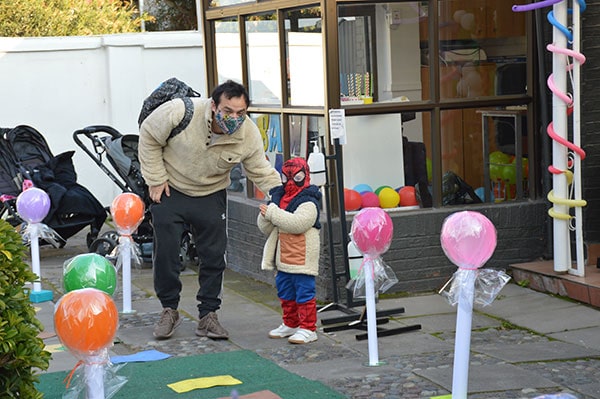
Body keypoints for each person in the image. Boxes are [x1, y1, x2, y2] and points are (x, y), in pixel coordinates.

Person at [139, 80, 282, 340]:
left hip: (211, 194)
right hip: (172, 189)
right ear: (213, 105)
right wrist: (155, 178)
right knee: (167, 254)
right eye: (228, 111)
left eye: (241, 113)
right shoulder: (181, 111)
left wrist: (287, 197)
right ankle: (169, 310)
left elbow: (259, 170)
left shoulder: (247, 134)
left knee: (214, 257)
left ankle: (208, 316)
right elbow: (148, 136)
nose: (234, 118)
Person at [257, 157, 322, 344]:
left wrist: (272, 213)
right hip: (283, 256)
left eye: (297, 177)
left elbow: (298, 223)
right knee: (285, 292)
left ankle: (308, 328)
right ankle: (291, 323)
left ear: (305, 176)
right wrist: (265, 216)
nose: (291, 183)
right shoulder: (279, 198)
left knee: (304, 293)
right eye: (287, 178)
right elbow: (268, 227)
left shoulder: (309, 201)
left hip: (302, 258)